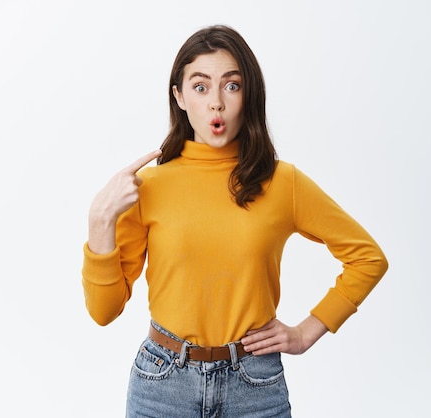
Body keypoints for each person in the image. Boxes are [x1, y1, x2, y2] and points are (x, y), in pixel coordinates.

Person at [82, 25, 388, 417]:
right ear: (179, 97)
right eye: (200, 86)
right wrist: (99, 222)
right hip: (162, 385)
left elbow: (368, 258)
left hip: (254, 385)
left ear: (249, 95)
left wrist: (308, 331)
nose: (216, 104)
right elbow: (103, 312)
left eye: (231, 86)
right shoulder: (149, 187)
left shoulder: (282, 182)